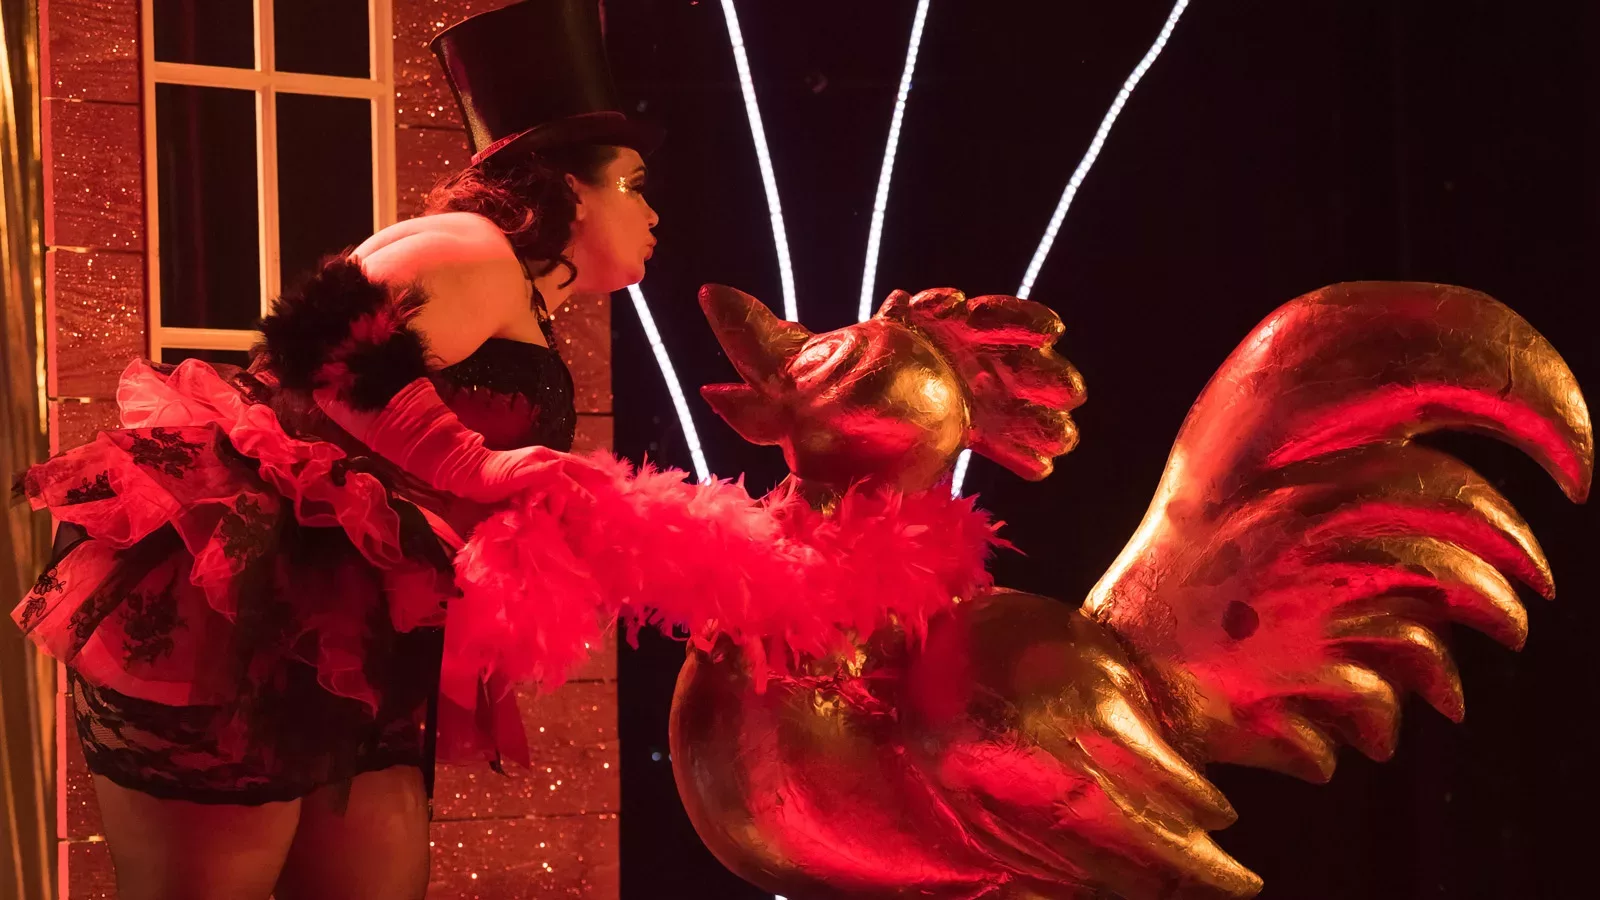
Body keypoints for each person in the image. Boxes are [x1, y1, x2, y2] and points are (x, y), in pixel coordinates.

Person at [10, 3, 997, 898]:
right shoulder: (471, 247)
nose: (654, 214)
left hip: (344, 627)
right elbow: (324, 346)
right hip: (243, 600)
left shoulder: (510, 287)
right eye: (634, 186)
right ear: (569, 190)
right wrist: (472, 465)